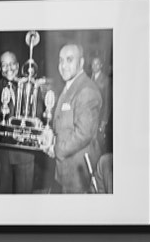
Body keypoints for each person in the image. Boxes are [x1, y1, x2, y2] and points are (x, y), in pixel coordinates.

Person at [40, 42, 104, 195]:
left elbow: (83, 134)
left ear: (81, 62)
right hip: (65, 170)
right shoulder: (70, 86)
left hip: (79, 173)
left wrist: (55, 148)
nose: (63, 65)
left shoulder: (86, 90)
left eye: (69, 60)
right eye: (61, 60)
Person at [0, 51, 36, 196]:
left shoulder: (31, 87)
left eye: (11, 63)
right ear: (0, 69)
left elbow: (39, 115)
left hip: (25, 155)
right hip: (2, 157)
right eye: (4, 65)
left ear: (18, 66)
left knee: (24, 204)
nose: (8, 68)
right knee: (2, 204)